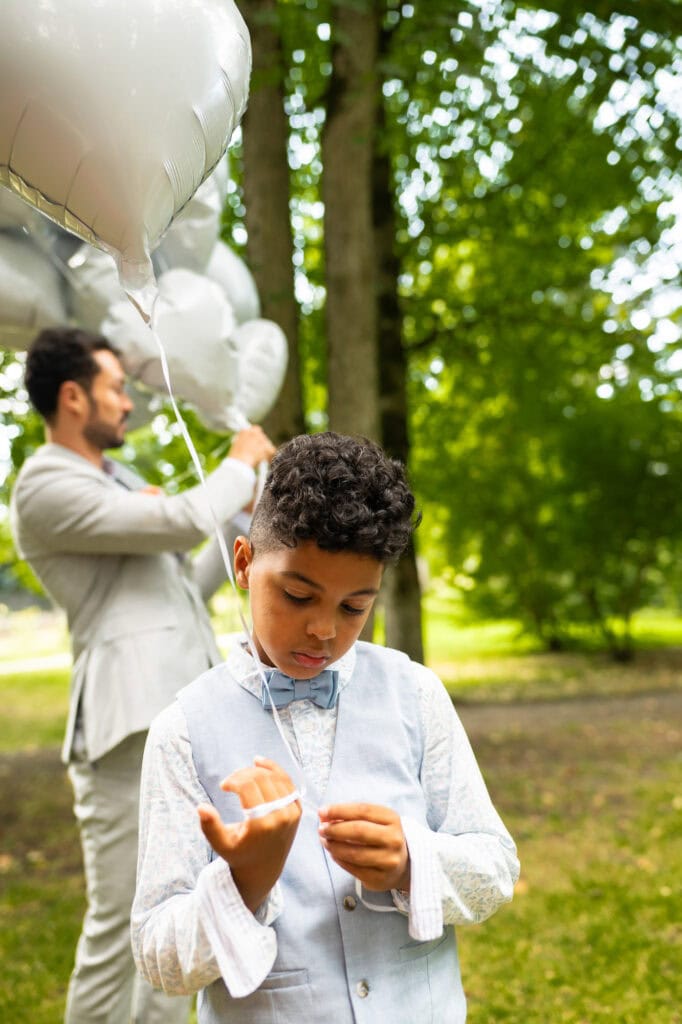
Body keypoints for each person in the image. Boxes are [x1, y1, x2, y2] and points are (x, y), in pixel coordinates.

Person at [131, 431, 520, 1023]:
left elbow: (495, 864)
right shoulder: (183, 730)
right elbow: (159, 956)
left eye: (353, 607)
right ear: (243, 564)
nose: (323, 630)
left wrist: (411, 863)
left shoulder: (416, 693)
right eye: (296, 595)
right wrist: (246, 882)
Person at [10, 326, 275, 1024]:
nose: (127, 403)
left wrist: (242, 527)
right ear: (72, 397)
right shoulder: (45, 484)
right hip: (126, 725)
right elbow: (187, 519)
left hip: (174, 710)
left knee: (176, 909)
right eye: (115, 388)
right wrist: (240, 461)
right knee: (124, 923)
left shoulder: (111, 481)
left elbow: (184, 580)